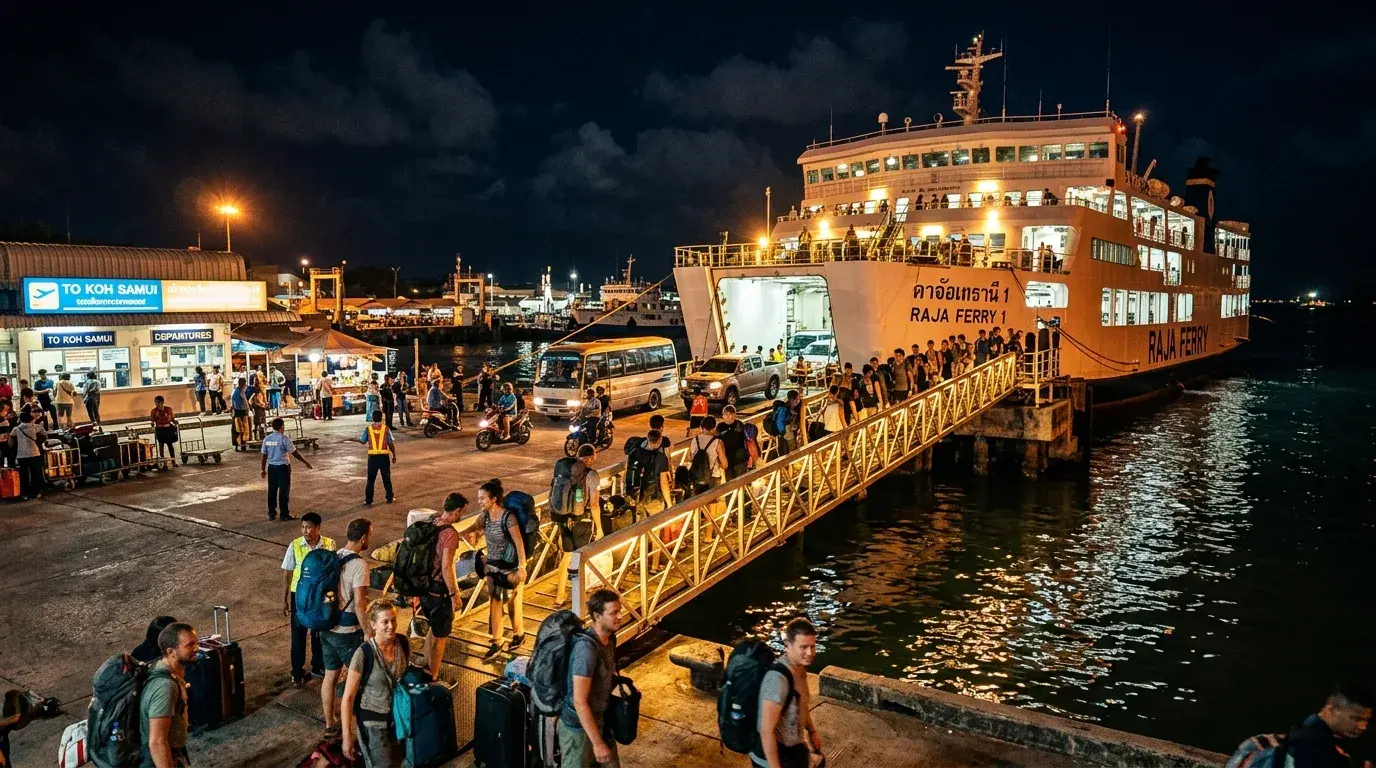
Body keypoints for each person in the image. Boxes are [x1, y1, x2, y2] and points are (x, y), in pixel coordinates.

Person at [559, 588, 624, 768]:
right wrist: (597, 743)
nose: (620, 616)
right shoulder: (585, 650)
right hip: (578, 729)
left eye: (620, 610)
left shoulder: (610, 639)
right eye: (613, 613)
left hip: (602, 719)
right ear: (597, 616)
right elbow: (579, 701)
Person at [322, 518, 373, 736]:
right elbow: (360, 605)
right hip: (346, 632)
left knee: (330, 676)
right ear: (363, 538)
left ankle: (329, 724)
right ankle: (352, 731)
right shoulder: (359, 565)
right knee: (358, 681)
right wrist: (369, 633)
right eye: (370, 535)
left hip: (326, 627)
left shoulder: (333, 556)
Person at [341, 599, 407, 767]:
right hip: (373, 725)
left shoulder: (403, 644)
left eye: (393, 620)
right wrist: (347, 737)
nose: (391, 626)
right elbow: (348, 698)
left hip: (399, 720)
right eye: (385, 622)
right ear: (373, 624)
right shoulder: (363, 654)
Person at [754, 617, 823, 768]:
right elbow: (765, 731)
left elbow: (801, 703)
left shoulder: (799, 668)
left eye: (813, 646)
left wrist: (811, 731)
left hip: (791, 747)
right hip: (772, 758)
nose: (810, 653)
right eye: (803, 647)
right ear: (787, 646)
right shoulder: (777, 680)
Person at [475, 479, 527, 661]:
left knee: (508, 602)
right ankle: (507, 637)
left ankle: (508, 637)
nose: (479, 502)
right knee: (496, 602)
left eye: (482, 498)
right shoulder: (485, 516)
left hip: (509, 568)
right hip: (492, 566)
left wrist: (522, 567)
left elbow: (519, 543)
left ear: (494, 499)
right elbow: (474, 528)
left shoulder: (508, 518)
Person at [282, 513, 333, 686]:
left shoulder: (329, 544)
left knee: (319, 631)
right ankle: (297, 672)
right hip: (300, 596)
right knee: (298, 634)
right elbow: (287, 573)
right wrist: (285, 599)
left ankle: (318, 666)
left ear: (318, 528)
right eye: (303, 527)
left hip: (320, 595)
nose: (305, 531)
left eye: (309, 527)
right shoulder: (295, 545)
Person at [419, 493, 465, 677]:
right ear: (457, 510)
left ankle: (425, 664)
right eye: (462, 511)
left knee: (433, 627)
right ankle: (434, 675)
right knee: (440, 637)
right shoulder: (449, 534)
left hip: (424, 587)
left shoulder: (432, 524)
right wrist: (454, 594)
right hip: (439, 590)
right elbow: (446, 566)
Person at [1275, 682, 1373, 767]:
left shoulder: (1329, 739)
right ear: (1332, 710)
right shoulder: (1310, 742)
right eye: (1356, 719)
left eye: (1366, 720)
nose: (1363, 726)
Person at [141, 622, 198, 768]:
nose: (196, 648)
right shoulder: (165, 687)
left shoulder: (164, 670)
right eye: (189, 645)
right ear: (171, 651)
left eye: (196, 643)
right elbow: (157, 741)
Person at [555, 445, 603, 606]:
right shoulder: (591, 474)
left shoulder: (565, 471)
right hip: (582, 520)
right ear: (590, 458)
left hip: (563, 520)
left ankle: (559, 596)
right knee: (581, 558)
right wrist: (600, 528)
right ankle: (579, 598)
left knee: (567, 556)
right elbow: (594, 504)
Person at [260, 417, 314, 521]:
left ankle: (271, 513)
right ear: (281, 427)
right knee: (283, 492)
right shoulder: (284, 439)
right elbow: (294, 453)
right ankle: (284, 514)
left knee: (272, 491)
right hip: (282, 468)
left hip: (271, 468)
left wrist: (263, 469)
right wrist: (305, 462)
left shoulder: (267, 439)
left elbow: (264, 456)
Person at [359, 411, 396, 506]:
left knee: (371, 480)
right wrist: (394, 455)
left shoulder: (368, 429)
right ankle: (389, 498)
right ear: (382, 417)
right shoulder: (386, 429)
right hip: (384, 457)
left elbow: (362, 441)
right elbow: (390, 443)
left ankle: (368, 500)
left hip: (372, 458)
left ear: (372, 417)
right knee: (386, 478)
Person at [687, 416, 727, 497]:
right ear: (714, 428)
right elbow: (725, 464)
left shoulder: (695, 440)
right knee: (712, 504)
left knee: (698, 503)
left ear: (702, 427)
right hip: (713, 477)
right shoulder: (718, 442)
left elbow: (689, 457)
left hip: (696, 476)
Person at [13, 412, 45, 499]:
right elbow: (44, 433)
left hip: (22, 454)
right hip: (34, 453)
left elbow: (11, 436)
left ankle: (25, 493)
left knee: (24, 475)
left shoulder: (17, 429)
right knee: (35, 473)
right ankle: (36, 492)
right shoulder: (35, 427)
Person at [717, 405, 750, 480]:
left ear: (735, 415)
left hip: (740, 459)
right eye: (726, 415)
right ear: (723, 416)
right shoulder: (720, 427)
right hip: (727, 460)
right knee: (730, 482)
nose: (729, 417)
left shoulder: (739, 424)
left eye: (731, 414)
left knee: (741, 481)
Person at [150, 395, 178, 464]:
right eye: (155, 402)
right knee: (161, 445)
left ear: (162, 402)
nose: (157, 404)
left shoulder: (168, 409)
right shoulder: (154, 411)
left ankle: (173, 461)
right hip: (160, 429)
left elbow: (172, 419)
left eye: (158, 402)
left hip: (168, 428)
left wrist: (175, 422)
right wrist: (152, 423)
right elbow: (152, 421)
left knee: (170, 445)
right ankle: (163, 462)